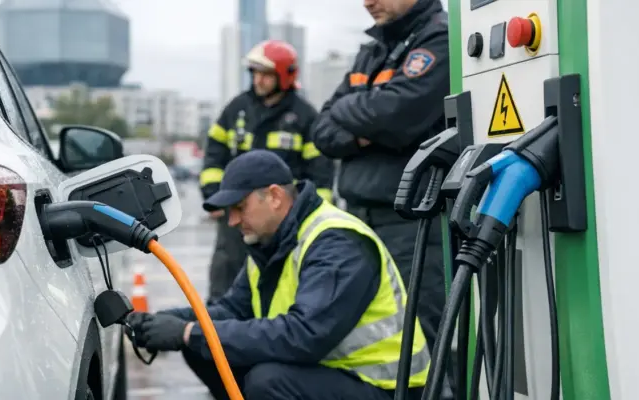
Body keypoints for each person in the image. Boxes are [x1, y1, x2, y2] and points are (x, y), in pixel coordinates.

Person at [126, 150, 429, 400]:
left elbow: (304, 336)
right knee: (204, 347)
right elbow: (232, 310)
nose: (232, 221)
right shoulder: (270, 242)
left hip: (386, 387)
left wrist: (190, 332)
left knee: (265, 381)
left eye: (239, 207)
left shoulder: (337, 243)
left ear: (273, 196)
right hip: (331, 374)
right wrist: (170, 321)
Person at [310, 0, 449, 355]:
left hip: (412, 225)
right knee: (366, 340)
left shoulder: (439, 39)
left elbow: (393, 115)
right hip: (360, 222)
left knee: (422, 340)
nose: (367, 2)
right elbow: (323, 129)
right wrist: (364, 127)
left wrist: (355, 113)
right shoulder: (374, 50)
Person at [200, 39, 335, 304]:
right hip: (237, 210)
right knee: (225, 280)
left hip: (282, 219)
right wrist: (213, 194)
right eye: (255, 73)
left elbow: (320, 172)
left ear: (284, 76)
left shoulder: (304, 116)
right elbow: (214, 153)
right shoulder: (236, 109)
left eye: (266, 74)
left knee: (281, 286)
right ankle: (216, 338)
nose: (258, 80)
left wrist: (312, 217)